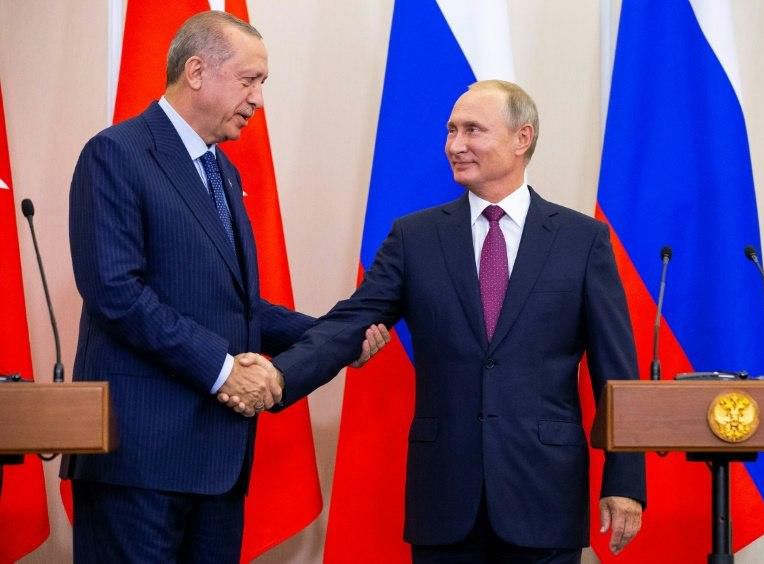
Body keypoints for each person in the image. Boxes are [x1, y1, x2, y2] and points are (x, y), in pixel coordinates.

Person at [224, 80, 646, 562]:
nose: (455, 145)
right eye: (451, 130)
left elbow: (616, 371)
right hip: (446, 498)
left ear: (521, 138)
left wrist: (625, 479)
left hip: (544, 494)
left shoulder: (581, 240)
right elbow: (352, 321)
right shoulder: (415, 237)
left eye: (472, 130)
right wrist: (279, 377)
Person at [63, 11, 387, 563]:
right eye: (249, 79)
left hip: (216, 461)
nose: (258, 97)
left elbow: (239, 307)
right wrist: (224, 369)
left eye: (263, 83)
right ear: (196, 71)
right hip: (139, 459)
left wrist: (335, 338)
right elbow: (118, 293)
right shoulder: (116, 153)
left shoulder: (224, 172)